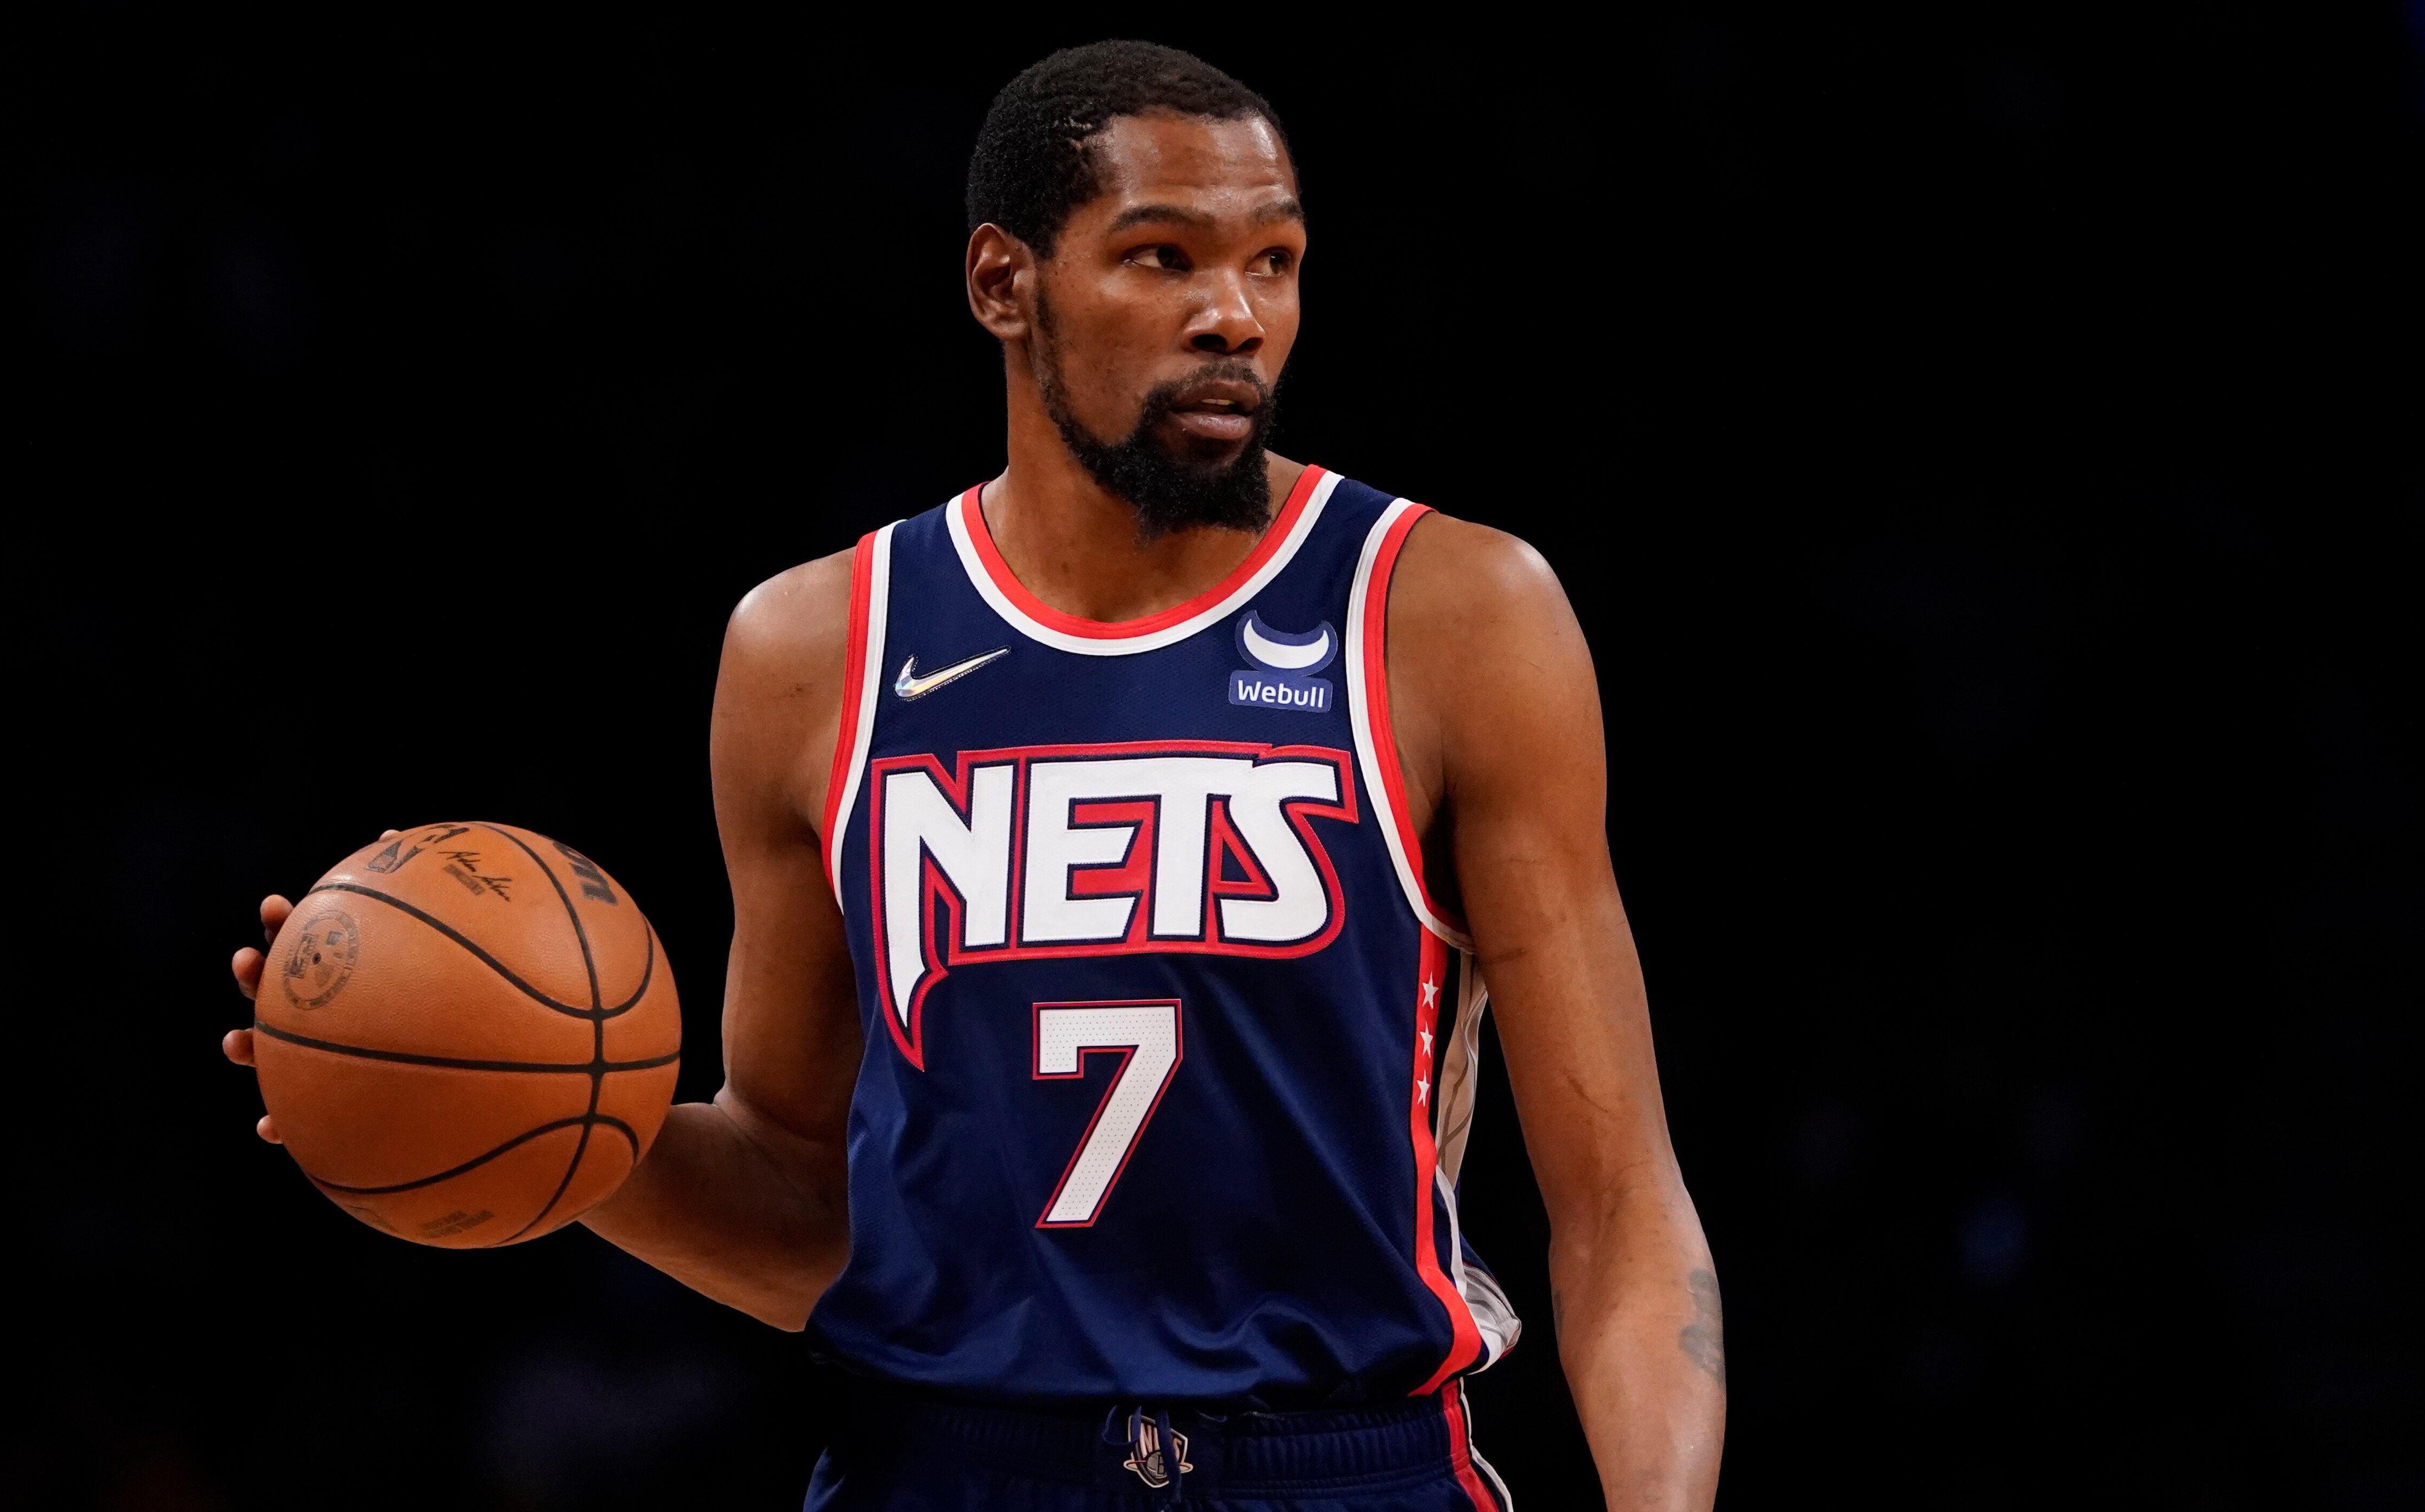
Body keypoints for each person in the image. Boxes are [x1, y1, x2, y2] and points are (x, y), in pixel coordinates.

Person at [227, 40, 1722, 1511]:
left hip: (1341, 1463)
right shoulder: (815, 650)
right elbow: (811, 1205)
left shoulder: (1451, 613)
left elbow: (1618, 1205)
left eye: (1274, 262)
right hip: (941, 1464)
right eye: (1162, 257)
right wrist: (512, 1101)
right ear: (1004, 283)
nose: (1234, 315)